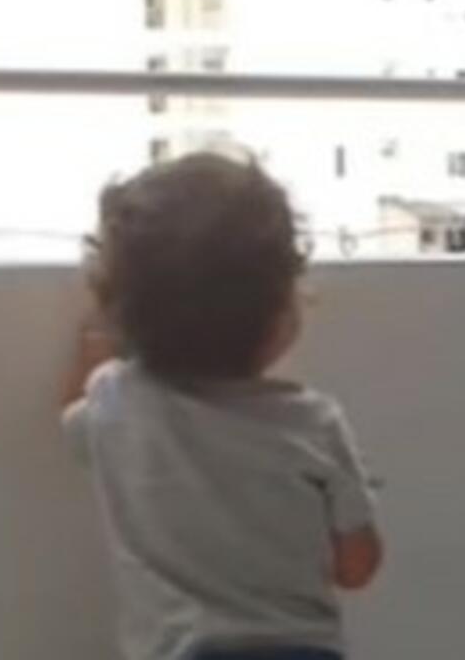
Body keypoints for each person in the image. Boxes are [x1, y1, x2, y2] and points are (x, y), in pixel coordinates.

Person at [62, 153, 382, 660]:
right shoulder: (315, 424)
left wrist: (101, 337)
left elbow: (73, 420)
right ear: (278, 316)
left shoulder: (118, 401)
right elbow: (358, 567)